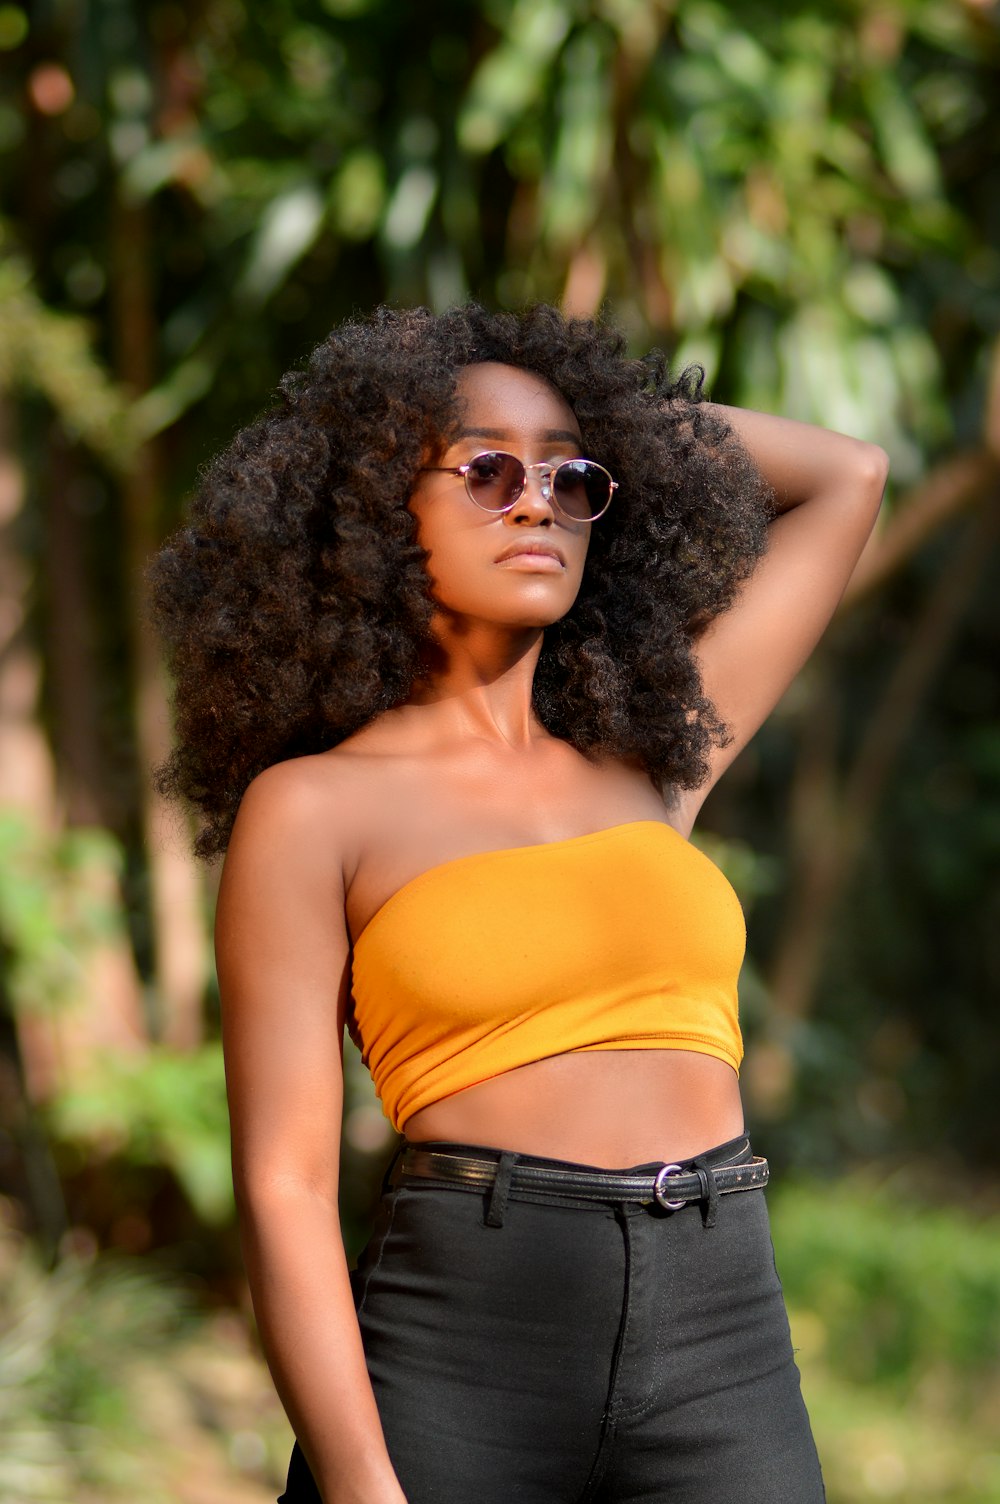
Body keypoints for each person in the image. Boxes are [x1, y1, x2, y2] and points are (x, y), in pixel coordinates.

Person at [152, 303, 888, 1504]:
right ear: (384, 505)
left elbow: (845, 477)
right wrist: (356, 1480)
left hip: (721, 1327)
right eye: (486, 468)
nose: (535, 499)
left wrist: (601, 425)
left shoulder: (651, 759)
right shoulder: (315, 809)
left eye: (569, 476)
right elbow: (283, 1186)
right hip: (464, 1339)